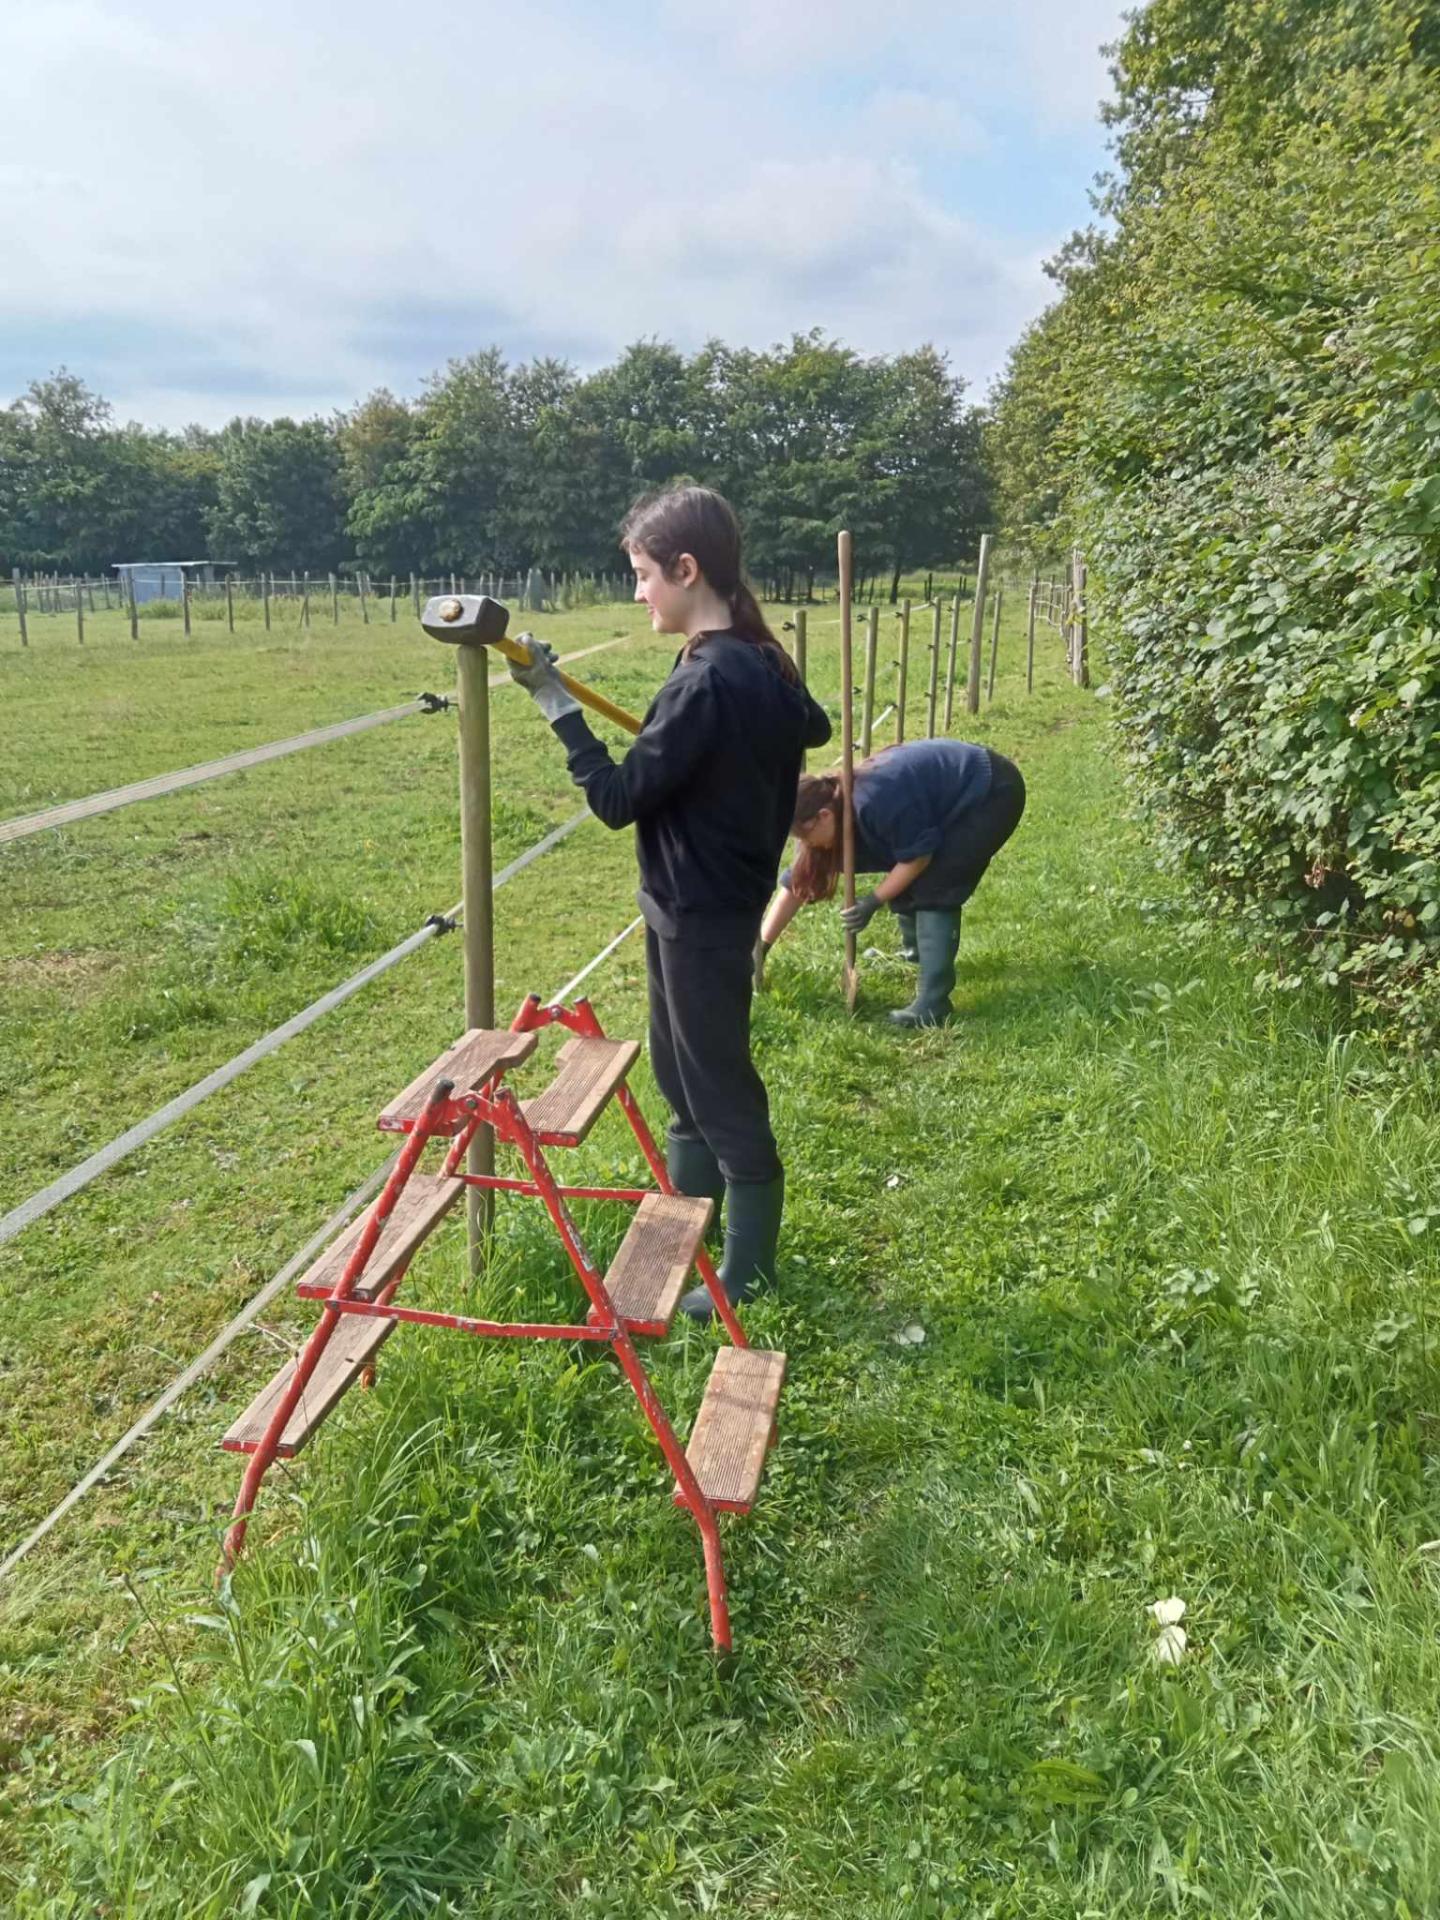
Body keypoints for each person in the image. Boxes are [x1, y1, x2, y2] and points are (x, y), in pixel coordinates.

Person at [507, 486, 832, 1319]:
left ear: (689, 570)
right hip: (694, 904)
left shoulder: (708, 681)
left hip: (702, 913)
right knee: (678, 1073)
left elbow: (618, 799)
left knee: (718, 1087)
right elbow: (814, 726)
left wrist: (555, 703)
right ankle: (683, 1235)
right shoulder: (757, 659)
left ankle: (751, 1273)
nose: (639, 593)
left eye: (645, 575)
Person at [760, 738, 1026, 1027]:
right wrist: (761, 947)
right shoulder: (829, 809)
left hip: (988, 791)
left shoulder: (875, 801)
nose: (805, 845)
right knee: (903, 867)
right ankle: (915, 953)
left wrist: (873, 901)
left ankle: (933, 1003)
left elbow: (918, 858)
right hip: (944, 796)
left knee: (934, 883)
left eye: (805, 837)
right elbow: (797, 883)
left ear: (823, 816)